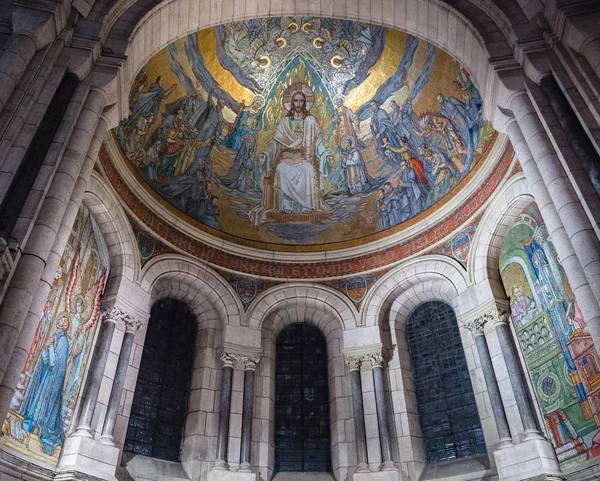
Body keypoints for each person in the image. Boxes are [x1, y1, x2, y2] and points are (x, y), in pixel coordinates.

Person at [249, 86, 334, 226]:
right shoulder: (285, 123)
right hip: (287, 156)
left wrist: (327, 155)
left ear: (305, 103)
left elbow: (318, 143)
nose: (299, 103)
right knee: (281, 168)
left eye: (301, 101)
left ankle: (307, 206)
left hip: (304, 157)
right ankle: (286, 206)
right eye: (296, 100)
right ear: (291, 103)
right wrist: (265, 154)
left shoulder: (310, 122)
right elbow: (275, 143)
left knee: (307, 168)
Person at [20, 316, 70, 456]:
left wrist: (51, 347)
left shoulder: (64, 342)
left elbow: (55, 364)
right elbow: (47, 359)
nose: (61, 322)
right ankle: (30, 424)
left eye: (64, 321)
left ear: (67, 327)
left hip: (52, 381)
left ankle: (37, 427)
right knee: (38, 401)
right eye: (60, 320)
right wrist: (47, 349)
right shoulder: (55, 337)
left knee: (43, 403)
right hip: (47, 377)